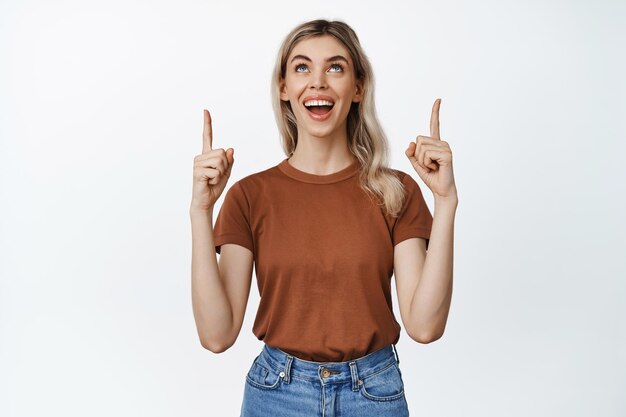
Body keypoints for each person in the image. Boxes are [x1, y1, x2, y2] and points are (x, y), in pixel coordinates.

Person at [190, 18, 457, 417]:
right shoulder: (249, 196)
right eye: (302, 68)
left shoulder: (397, 191)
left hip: (373, 394)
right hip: (276, 395)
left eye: (335, 67)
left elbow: (424, 326)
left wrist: (447, 202)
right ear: (284, 88)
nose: (317, 82)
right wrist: (200, 212)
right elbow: (216, 335)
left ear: (358, 88)